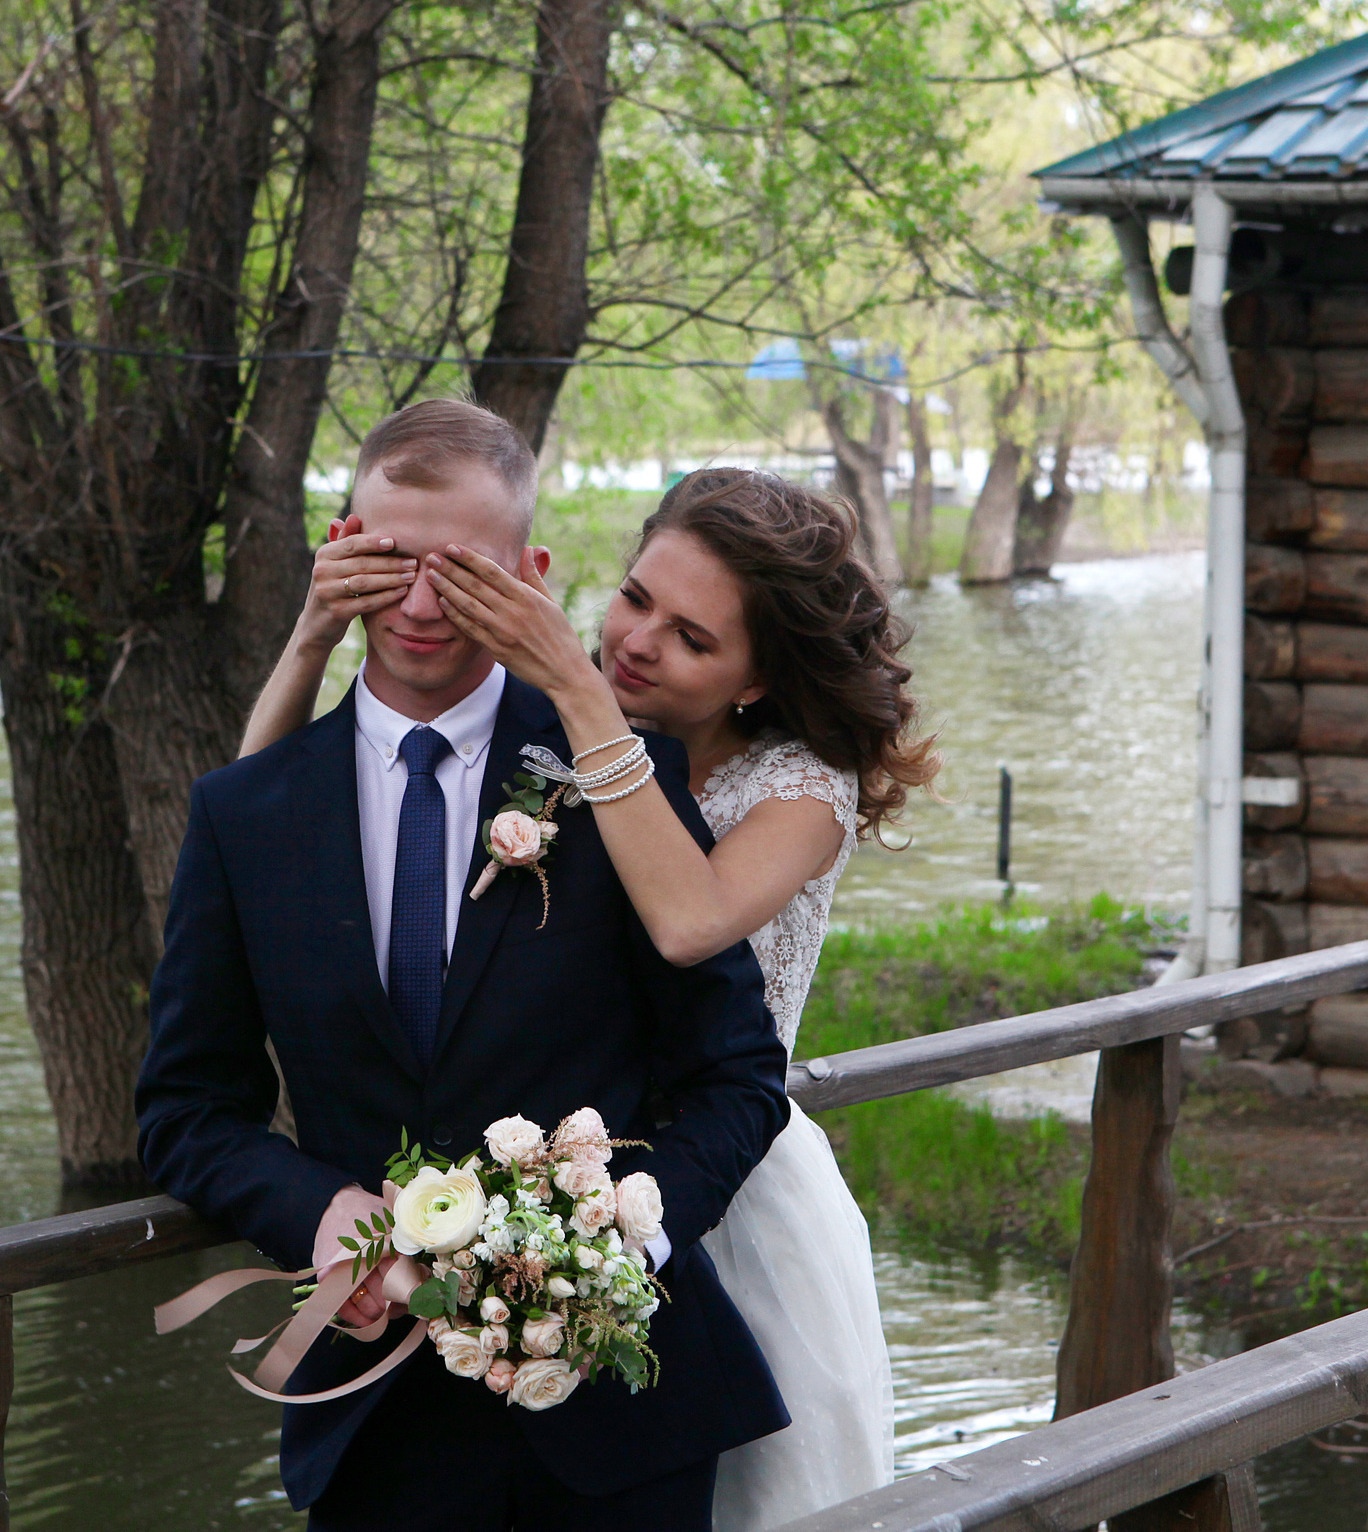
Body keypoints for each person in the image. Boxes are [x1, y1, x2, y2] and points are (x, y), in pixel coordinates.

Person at [242, 464, 940, 1530]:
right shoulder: (572, 733)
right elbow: (261, 824)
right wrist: (314, 639)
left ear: (755, 679)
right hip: (537, 1162)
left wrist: (573, 693)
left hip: (721, 1188)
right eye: (633, 596)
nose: (636, 641)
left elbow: (686, 920)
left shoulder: (796, 790)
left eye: (692, 638)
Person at [138, 401, 793, 1532]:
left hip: (618, 1419)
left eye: (467, 570)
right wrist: (325, 1216)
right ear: (341, 551)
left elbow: (736, 1077)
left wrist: (615, 1247)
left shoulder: (623, 783)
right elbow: (187, 1109)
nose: (426, 604)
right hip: (372, 1421)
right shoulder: (246, 811)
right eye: (392, 563)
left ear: (531, 571)